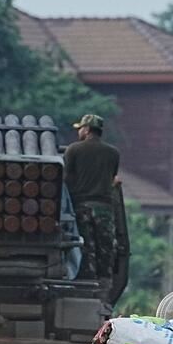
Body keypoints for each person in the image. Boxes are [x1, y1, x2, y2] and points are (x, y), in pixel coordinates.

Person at [64, 114, 120, 283]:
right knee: (105, 245)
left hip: (82, 205)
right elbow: (112, 178)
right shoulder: (113, 153)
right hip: (105, 207)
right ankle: (104, 279)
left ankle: (87, 278)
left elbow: (66, 178)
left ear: (87, 130)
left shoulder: (73, 150)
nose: (79, 132)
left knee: (85, 244)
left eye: (80, 128)